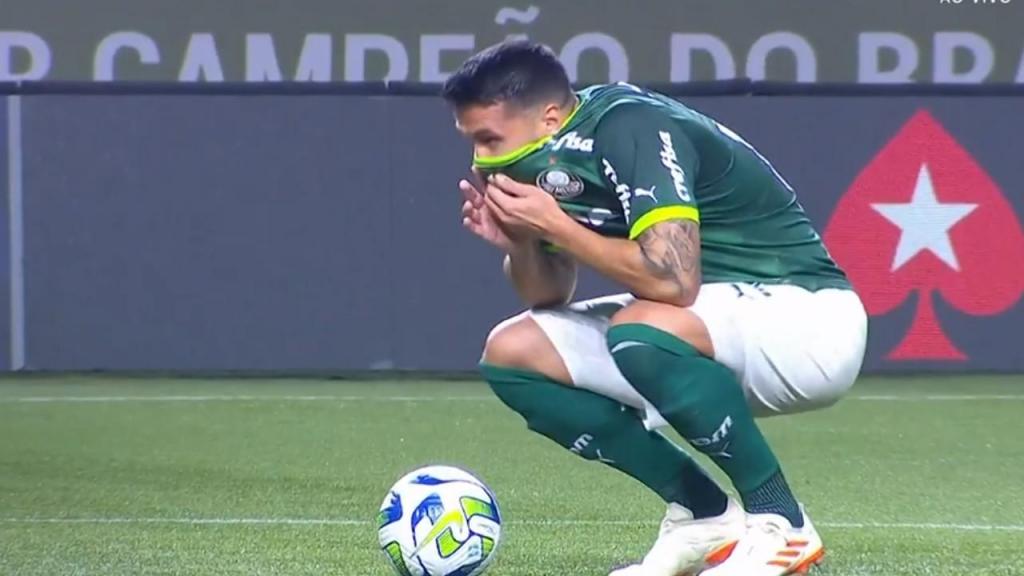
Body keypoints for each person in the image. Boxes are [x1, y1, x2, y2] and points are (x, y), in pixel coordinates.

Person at [442, 40, 867, 576]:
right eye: (471, 143)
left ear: (548, 117)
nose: (480, 158)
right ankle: (703, 517)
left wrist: (556, 225)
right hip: (707, 326)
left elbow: (673, 280)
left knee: (640, 328)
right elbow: (547, 297)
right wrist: (522, 242)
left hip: (805, 318)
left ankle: (783, 524)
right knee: (514, 351)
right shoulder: (538, 158)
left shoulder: (629, 125)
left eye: (487, 138)